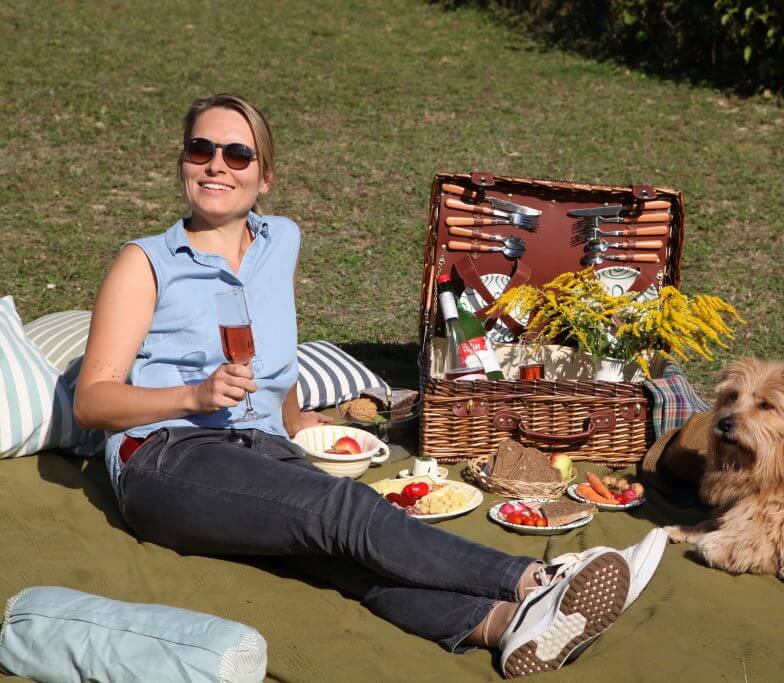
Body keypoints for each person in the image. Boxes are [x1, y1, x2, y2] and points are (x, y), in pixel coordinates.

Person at [74, 93, 668, 678]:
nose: (216, 165)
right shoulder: (148, 262)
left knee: (341, 551)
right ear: (183, 159)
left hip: (259, 449)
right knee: (342, 506)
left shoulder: (280, 242)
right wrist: (193, 397)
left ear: (265, 176)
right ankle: (537, 580)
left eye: (237, 154)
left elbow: (274, 358)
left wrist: (294, 418)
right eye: (201, 149)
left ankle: (504, 626)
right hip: (165, 457)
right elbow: (93, 401)